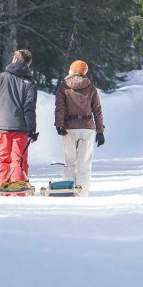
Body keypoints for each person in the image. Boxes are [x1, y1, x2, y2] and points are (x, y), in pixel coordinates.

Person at [0, 49, 39, 187]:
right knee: (18, 160)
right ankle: (18, 190)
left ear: (14, 59)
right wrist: (32, 129)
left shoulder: (0, 78)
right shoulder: (29, 83)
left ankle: (2, 188)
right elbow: (29, 108)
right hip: (21, 129)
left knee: (2, 159)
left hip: (1, 127)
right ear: (28, 64)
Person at [54, 60, 105, 195]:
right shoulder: (91, 87)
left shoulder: (63, 86)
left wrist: (59, 125)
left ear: (71, 70)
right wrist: (100, 131)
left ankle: (69, 191)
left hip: (68, 129)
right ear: (84, 72)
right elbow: (97, 110)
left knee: (70, 163)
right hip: (87, 129)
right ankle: (82, 194)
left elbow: (60, 108)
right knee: (84, 164)